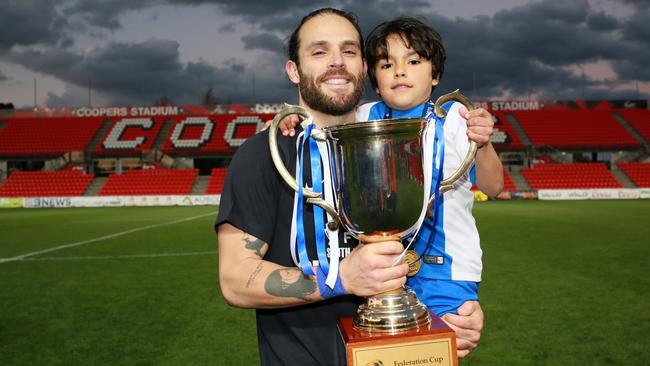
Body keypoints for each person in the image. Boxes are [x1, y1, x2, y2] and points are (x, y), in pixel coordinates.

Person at [216, 9, 483, 365]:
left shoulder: (399, 140)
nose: (337, 62)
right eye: (319, 51)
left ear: (364, 67)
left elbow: (437, 235)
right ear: (294, 70)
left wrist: (455, 315)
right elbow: (235, 279)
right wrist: (340, 278)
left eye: (349, 51)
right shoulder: (265, 153)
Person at [357, 16, 503, 324]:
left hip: (446, 271)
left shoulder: (454, 118)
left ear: (434, 74)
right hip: (381, 266)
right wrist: (296, 122)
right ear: (374, 80)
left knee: (436, 353)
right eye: (386, 64)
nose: (399, 70)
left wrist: (484, 143)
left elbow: (493, 187)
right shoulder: (362, 117)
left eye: (413, 61)